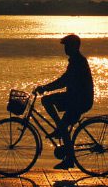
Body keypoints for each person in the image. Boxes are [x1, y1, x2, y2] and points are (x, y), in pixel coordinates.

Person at [36, 34, 94, 169]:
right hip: (75, 98)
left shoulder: (78, 62)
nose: (65, 49)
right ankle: (60, 129)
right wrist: (47, 88)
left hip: (80, 100)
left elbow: (64, 81)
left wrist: (45, 88)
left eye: (67, 46)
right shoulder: (75, 60)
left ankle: (68, 157)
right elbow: (65, 79)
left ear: (74, 46)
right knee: (48, 103)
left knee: (48, 103)